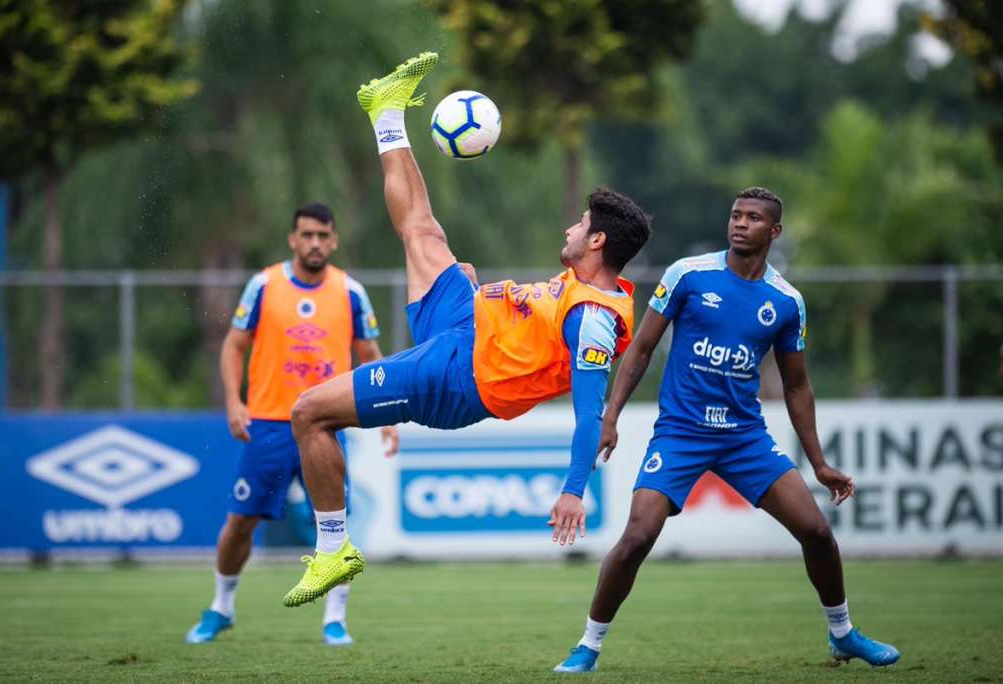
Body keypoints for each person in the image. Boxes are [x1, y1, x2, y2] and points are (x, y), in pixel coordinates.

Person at [281, 52, 652, 608]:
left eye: (581, 225)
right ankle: (386, 112)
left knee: (309, 412)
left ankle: (334, 548)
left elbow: (589, 413)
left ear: (597, 242)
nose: (571, 227)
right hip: (468, 320)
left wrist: (574, 490)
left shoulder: (595, 319)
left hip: (460, 377)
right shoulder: (581, 281)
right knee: (421, 230)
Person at [553, 188, 901, 672]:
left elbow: (798, 387)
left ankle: (842, 634)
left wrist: (819, 463)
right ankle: (588, 646)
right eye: (736, 215)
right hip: (681, 433)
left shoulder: (785, 302)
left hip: (744, 438)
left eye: (753, 218)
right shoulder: (688, 275)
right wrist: (611, 415)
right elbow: (641, 350)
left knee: (817, 532)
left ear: (773, 232)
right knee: (636, 537)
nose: (740, 224)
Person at [186, 202, 399, 646]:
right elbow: (233, 346)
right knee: (240, 523)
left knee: (336, 525)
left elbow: (371, 358)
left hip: (324, 426)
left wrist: (388, 415)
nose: (315, 243)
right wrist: (233, 401)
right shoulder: (263, 285)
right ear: (293, 239)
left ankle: (335, 619)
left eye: (323, 235)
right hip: (268, 425)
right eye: (307, 235)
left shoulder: (350, 291)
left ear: (334, 240)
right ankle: (221, 607)